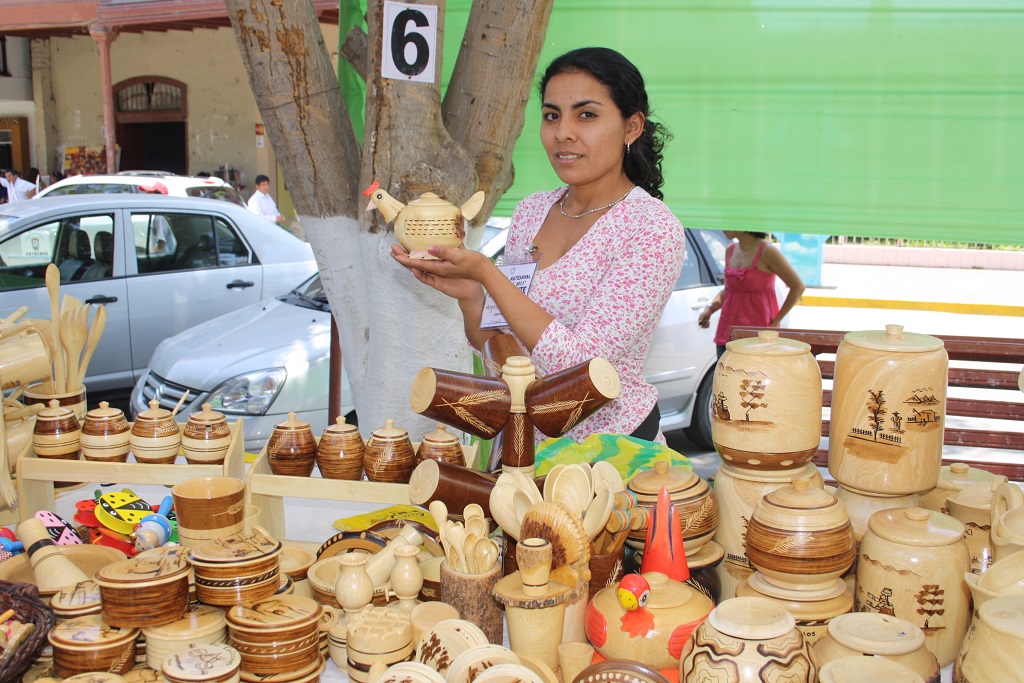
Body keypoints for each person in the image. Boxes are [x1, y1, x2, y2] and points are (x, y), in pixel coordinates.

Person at [392, 47, 685, 443]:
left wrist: (488, 275)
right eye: (551, 116)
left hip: (611, 451)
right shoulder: (532, 211)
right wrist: (470, 297)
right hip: (525, 444)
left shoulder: (650, 227)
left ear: (632, 127)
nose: (562, 132)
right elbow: (502, 346)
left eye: (586, 114)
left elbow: (583, 370)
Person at [697, 230, 806, 357]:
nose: (722, 228)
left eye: (727, 222)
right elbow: (729, 290)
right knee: (724, 374)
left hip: (758, 334)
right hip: (728, 331)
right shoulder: (730, 250)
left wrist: (776, 321)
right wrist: (710, 310)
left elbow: (798, 287)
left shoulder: (767, 251)